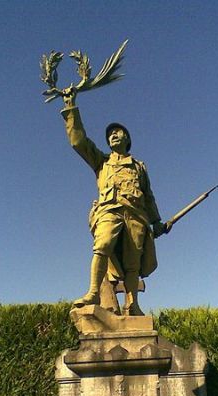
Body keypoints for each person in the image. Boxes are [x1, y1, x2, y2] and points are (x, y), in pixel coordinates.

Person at [60, 87, 167, 316]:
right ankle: (93, 293)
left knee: (132, 264)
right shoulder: (102, 161)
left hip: (137, 216)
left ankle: (133, 305)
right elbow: (78, 141)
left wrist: (157, 222)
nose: (113, 136)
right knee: (103, 244)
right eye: (110, 134)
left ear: (127, 138)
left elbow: (148, 195)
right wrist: (71, 107)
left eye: (117, 132)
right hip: (110, 211)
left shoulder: (139, 166)